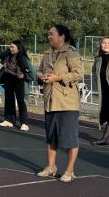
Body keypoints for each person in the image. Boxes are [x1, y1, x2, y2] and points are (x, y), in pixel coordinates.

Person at [36, 24, 84, 182]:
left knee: (70, 137)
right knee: (51, 136)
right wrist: (41, 76)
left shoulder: (71, 53)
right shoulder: (47, 53)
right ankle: (51, 167)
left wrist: (58, 77)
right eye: (48, 34)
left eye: (52, 34)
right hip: (50, 100)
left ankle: (69, 171)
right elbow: (39, 70)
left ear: (62, 37)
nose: (49, 37)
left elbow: (78, 74)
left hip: (67, 101)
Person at [0, 40, 36, 131]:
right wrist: (8, 50)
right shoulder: (7, 55)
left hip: (19, 82)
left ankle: (24, 123)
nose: (11, 48)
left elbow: (32, 71)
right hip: (8, 80)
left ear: (18, 48)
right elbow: (1, 55)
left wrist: (25, 76)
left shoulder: (23, 58)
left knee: (21, 102)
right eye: (10, 47)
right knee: (8, 100)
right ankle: (9, 120)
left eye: (12, 47)